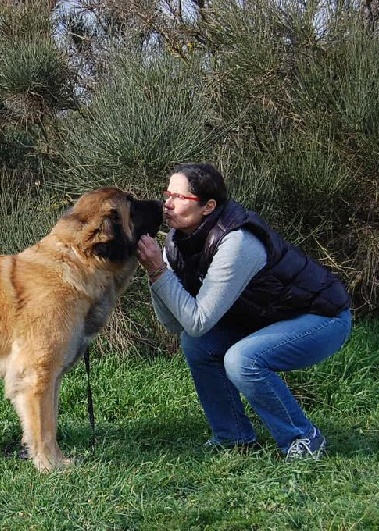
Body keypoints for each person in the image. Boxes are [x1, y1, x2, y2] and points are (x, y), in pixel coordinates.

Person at [136, 162, 352, 459]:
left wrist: (160, 271)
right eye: (167, 194)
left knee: (243, 359)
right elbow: (176, 325)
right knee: (197, 345)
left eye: (178, 198)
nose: (167, 204)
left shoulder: (237, 242)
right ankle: (234, 438)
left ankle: (304, 438)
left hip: (320, 318)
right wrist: (156, 274)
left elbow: (197, 320)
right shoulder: (178, 241)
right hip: (264, 319)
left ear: (208, 206)